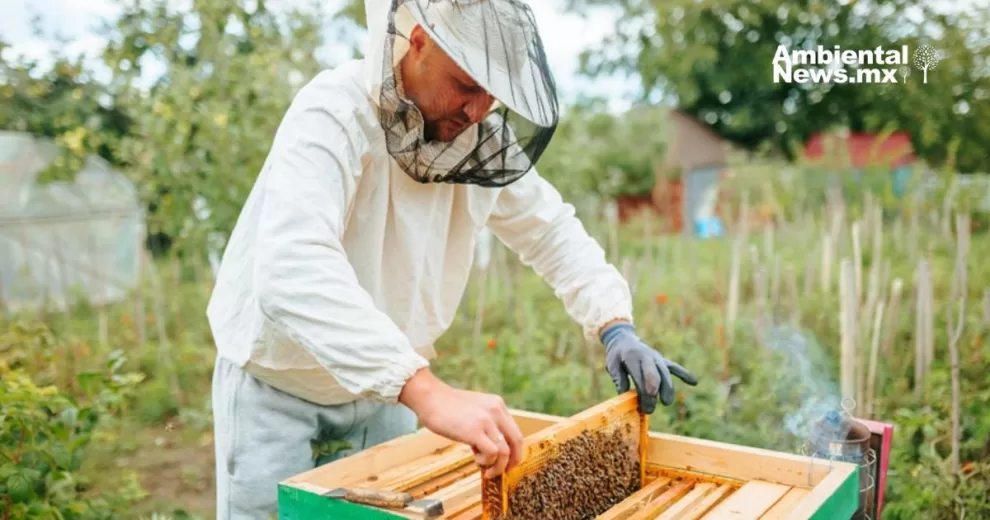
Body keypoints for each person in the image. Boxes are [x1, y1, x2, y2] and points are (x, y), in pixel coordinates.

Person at [206, 0, 697, 518]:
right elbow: (292, 266)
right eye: (466, 85)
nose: (478, 109)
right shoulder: (333, 112)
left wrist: (614, 323)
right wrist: (428, 392)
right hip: (278, 384)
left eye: (492, 94)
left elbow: (552, 232)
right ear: (418, 41)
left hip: (385, 392)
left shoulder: (480, 139)